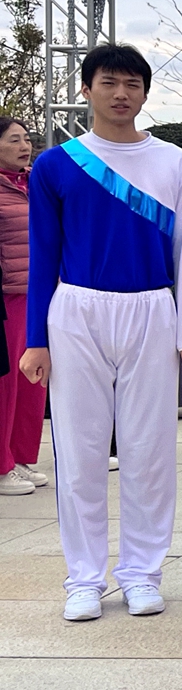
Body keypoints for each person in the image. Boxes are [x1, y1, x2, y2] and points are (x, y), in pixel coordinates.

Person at [22, 44, 182, 622]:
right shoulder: (57, 165)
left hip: (151, 308)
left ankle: (142, 573)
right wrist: (35, 337)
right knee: (80, 450)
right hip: (77, 311)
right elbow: (43, 253)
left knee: (150, 449)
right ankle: (84, 577)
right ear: (86, 89)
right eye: (109, 82)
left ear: (145, 92)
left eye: (132, 84)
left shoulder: (172, 161)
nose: (121, 93)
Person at [0, 117, 44, 496]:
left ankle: (20, 458)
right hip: (8, 297)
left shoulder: (35, 183)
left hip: (39, 294)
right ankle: (1, 466)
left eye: (27, 139)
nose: (24, 146)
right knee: (7, 384)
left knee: (34, 381)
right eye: (14, 140)